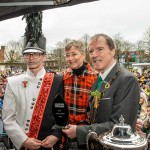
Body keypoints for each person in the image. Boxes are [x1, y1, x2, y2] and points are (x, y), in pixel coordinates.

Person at [63, 33, 140, 148]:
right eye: (91, 51)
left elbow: (120, 126)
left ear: (112, 51)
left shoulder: (126, 79)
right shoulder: (100, 79)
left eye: (100, 49)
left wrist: (79, 131)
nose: (94, 55)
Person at [2, 12, 63, 150]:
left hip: (51, 144)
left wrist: (56, 135)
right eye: (27, 54)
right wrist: (23, 140)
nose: (31, 57)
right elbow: (8, 118)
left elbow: (62, 113)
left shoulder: (57, 80)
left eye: (35, 53)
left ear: (44, 56)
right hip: (25, 144)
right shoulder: (13, 82)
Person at [63, 40, 97, 149]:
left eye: (74, 54)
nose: (70, 58)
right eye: (67, 55)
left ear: (83, 55)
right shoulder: (63, 76)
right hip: (66, 132)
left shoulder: (95, 77)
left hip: (87, 133)